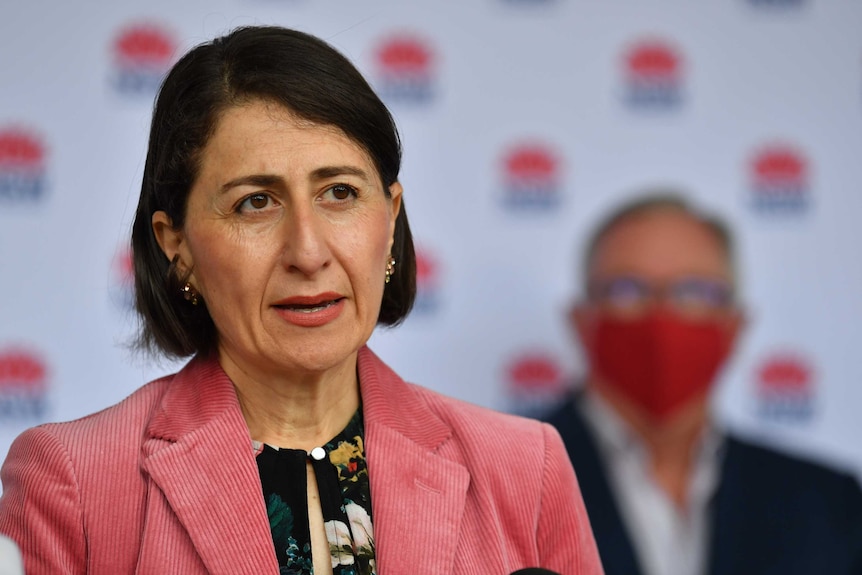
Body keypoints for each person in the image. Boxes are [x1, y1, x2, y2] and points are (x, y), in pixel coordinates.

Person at [0, 26, 603, 575]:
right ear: (176, 245)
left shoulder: (529, 468)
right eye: (255, 203)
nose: (308, 252)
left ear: (390, 221)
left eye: (340, 192)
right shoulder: (72, 482)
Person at [544, 193, 862, 575]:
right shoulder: (489, 489)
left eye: (694, 292)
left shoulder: (827, 504)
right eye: (627, 290)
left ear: (735, 325)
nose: (662, 315)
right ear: (580, 321)